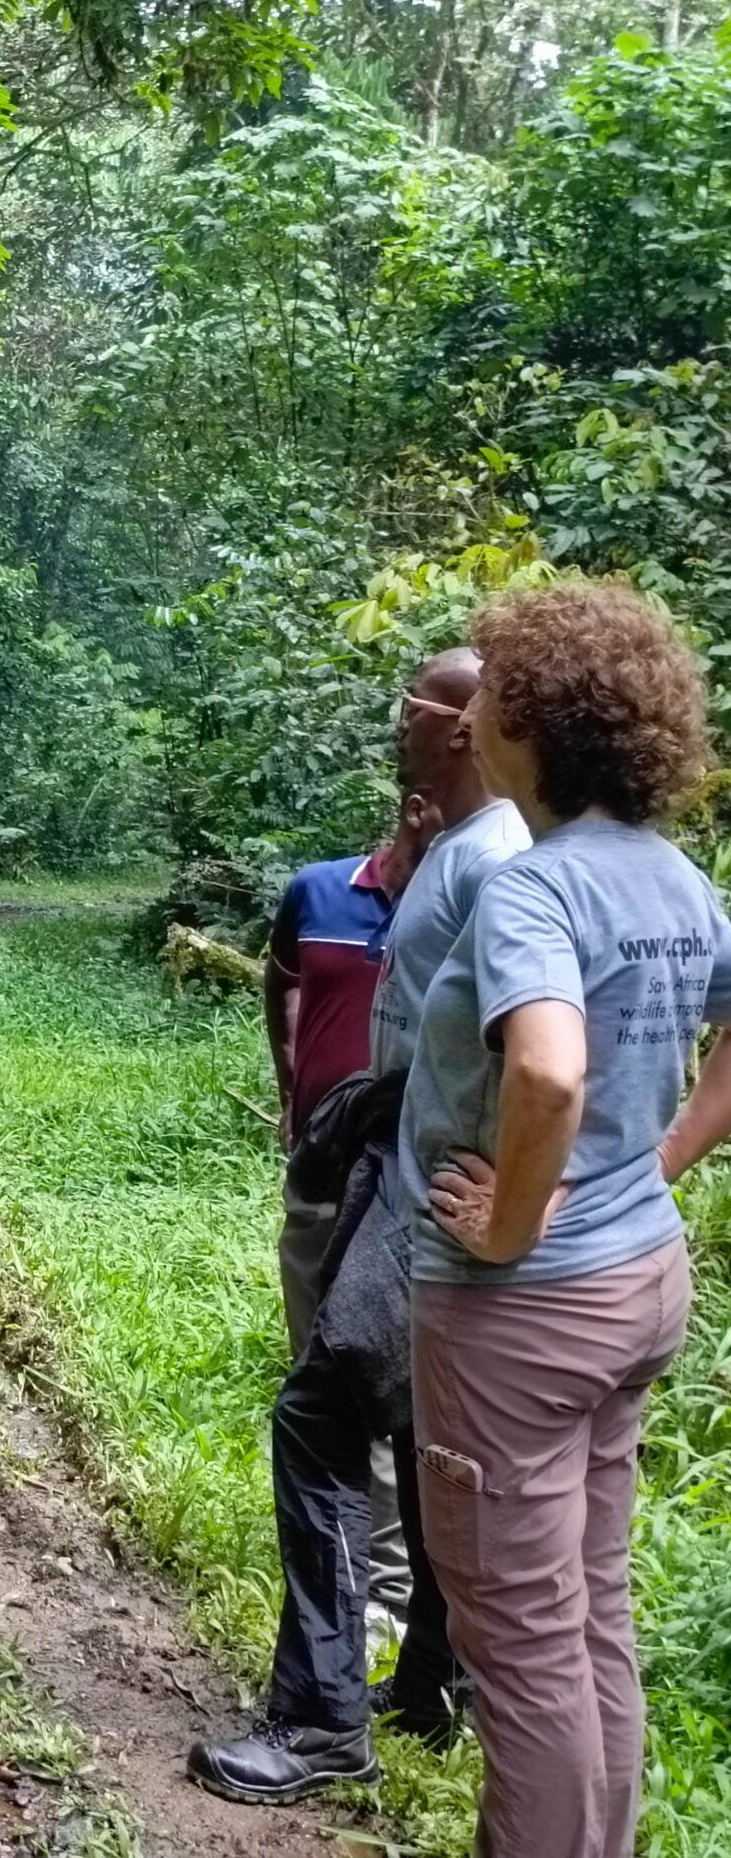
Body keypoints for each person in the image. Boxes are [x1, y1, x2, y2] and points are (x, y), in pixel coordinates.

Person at [407, 585, 727, 1858]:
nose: (466, 705)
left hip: (523, 1316)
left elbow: (543, 1070)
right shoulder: (673, 877)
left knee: (526, 1651)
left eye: (486, 685)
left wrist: (509, 1226)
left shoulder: (531, 891)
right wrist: (663, 1160)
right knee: (588, 1616)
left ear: (528, 721)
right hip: (639, 1278)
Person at [189, 645, 521, 1805]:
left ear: (466, 724)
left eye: (418, 701)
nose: (399, 715)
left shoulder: (504, 862)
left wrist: (509, 1188)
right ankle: (430, 1680)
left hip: (435, 1181)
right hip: (403, 1166)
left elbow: (538, 1054)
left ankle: (320, 1717)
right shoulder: (462, 848)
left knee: (320, 1416)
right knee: (423, 1425)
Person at [268, 837, 406, 1353]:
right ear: (416, 811)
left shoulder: (468, 895)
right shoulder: (317, 888)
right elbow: (282, 980)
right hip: (324, 1147)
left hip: (413, 1157)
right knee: (311, 1289)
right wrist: (292, 1094)